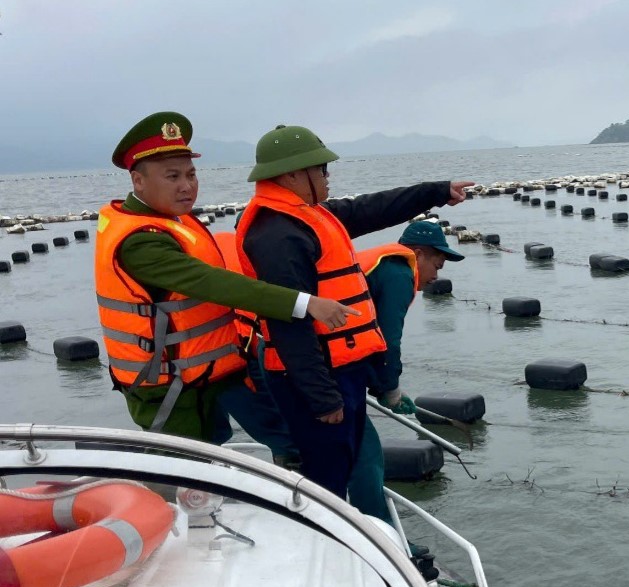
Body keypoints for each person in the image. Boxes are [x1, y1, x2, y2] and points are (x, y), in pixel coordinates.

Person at [234, 124, 473, 499]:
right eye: (321, 170)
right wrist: (322, 398)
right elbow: (290, 325)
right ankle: (324, 549)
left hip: (341, 370)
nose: (328, 177)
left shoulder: (308, 215)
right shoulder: (277, 235)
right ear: (293, 174)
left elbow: (373, 208)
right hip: (316, 379)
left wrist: (437, 192)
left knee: (343, 467)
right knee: (326, 482)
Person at [94, 112, 356, 442]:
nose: (186, 186)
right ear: (138, 181)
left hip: (216, 365)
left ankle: (288, 478)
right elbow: (213, 283)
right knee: (184, 470)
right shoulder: (141, 241)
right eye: (172, 177)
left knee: (284, 435)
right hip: (170, 384)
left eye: (191, 174)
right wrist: (304, 302)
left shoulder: (173, 219)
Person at [347, 220, 464, 522]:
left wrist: (381, 386)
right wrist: (390, 389)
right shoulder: (399, 273)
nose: (435, 277)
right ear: (418, 253)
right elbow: (389, 339)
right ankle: (378, 534)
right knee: (367, 456)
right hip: (330, 373)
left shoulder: (383, 266)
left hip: (329, 367)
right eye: (436, 265)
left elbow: (368, 338)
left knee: (354, 453)